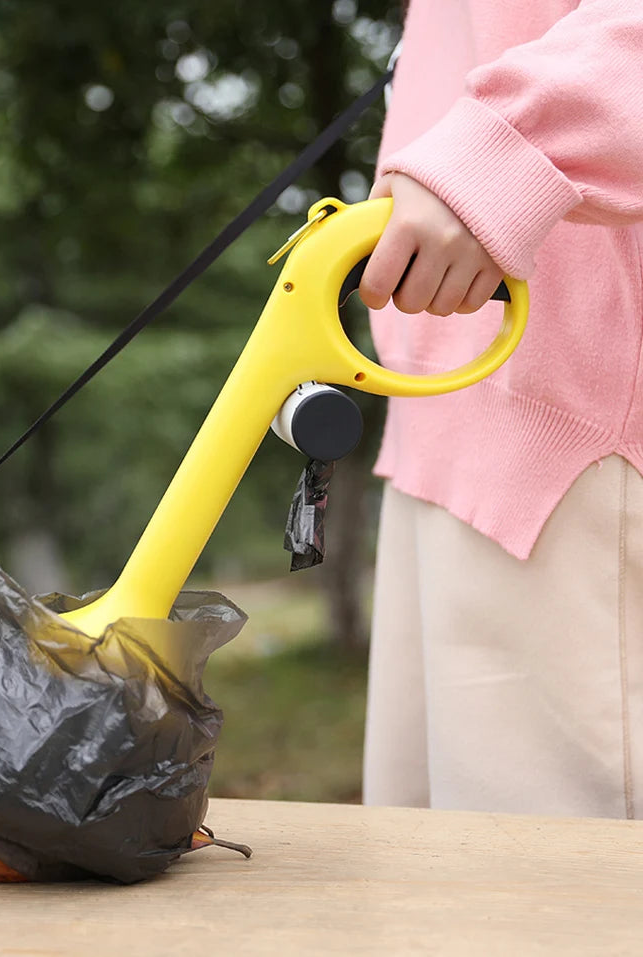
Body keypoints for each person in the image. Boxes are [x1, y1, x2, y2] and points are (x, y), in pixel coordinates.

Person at [358, 0, 643, 818]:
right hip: (449, 412)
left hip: (581, 434)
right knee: (438, 891)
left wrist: (508, 152)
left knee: (561, 907)